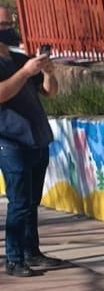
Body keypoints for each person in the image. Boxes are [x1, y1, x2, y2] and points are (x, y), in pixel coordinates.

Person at [0, 37, 66, 276]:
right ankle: (14, 258)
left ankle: (31, 251)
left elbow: (50, 92)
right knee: (19, 203)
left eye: (10, 23)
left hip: (37, 139)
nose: (9, 29)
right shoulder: (21, 66)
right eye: (3, 25)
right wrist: (25, 72)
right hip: (11, 142)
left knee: (31, 202)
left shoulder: (20, 59)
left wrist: (48, 73)